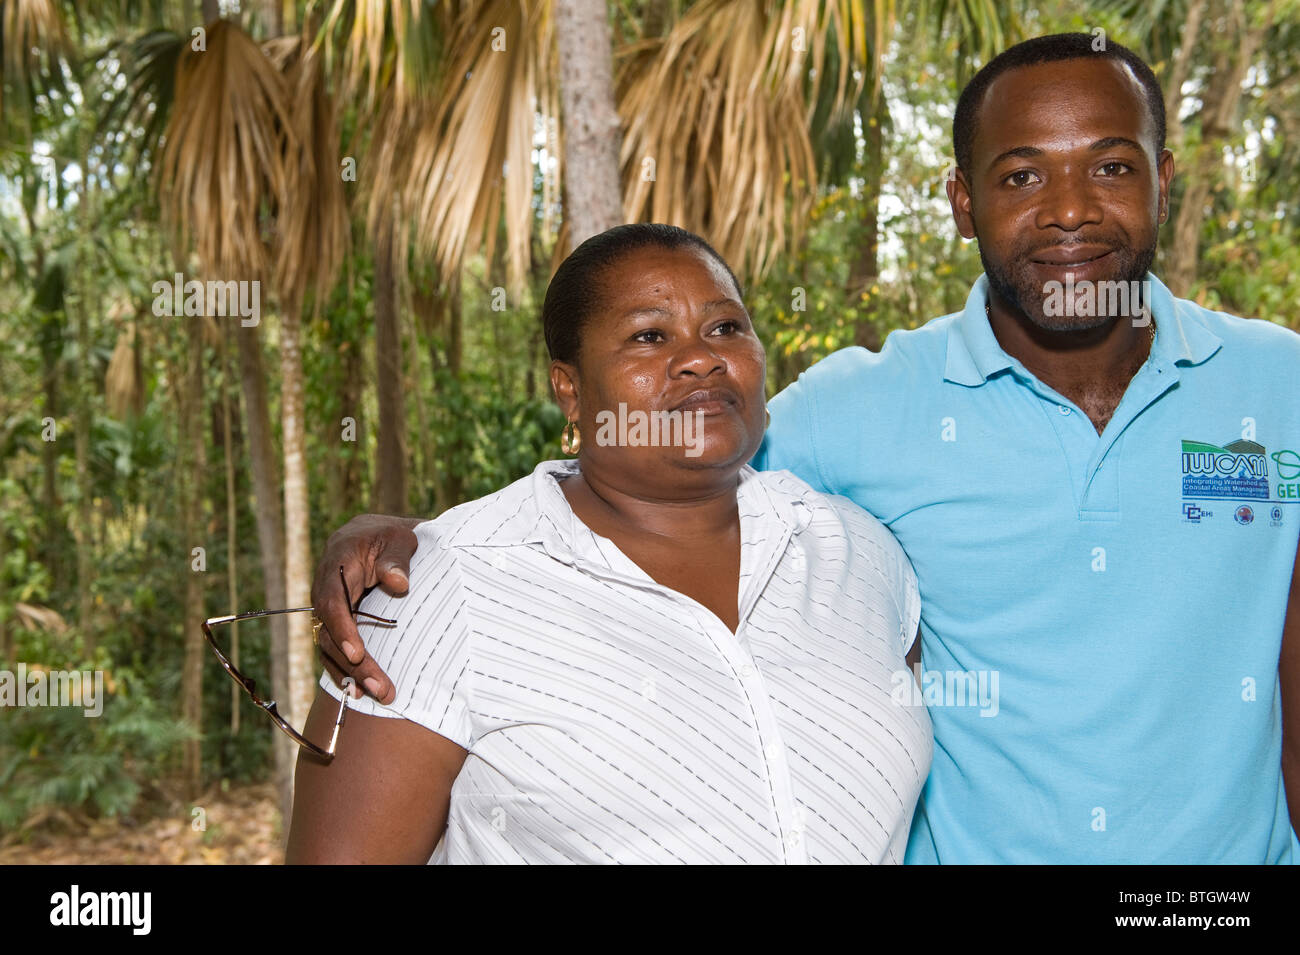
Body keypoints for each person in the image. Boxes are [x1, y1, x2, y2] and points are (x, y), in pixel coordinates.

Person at [313, 33, 1300, 864]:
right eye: (1022, 175)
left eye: (1111, 166)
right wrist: (420, 541)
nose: (1071, 208)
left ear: (1163, 181)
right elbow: (657, 473)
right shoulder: (855, 408)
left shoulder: (1281, 387)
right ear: (963, 203)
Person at [286, 224, 932, 864]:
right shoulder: (439, 589)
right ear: (569, 388)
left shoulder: (858, 554)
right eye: (649, 336)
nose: (701, 356)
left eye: (726, 327)